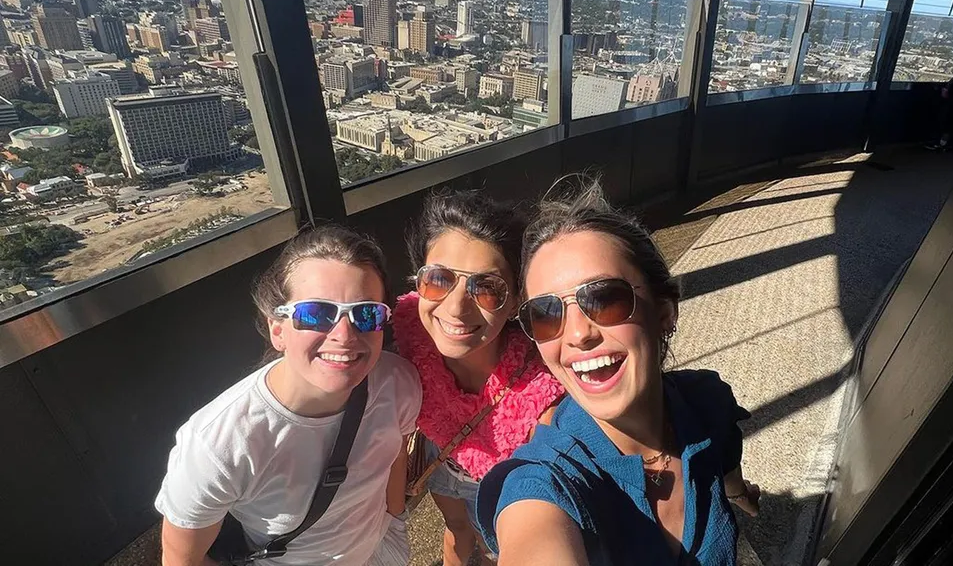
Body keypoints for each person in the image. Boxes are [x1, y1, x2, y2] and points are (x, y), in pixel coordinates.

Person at [476, 184, 760, 566]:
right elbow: (534, 535)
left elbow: (725, 458)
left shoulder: (706, 400)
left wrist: (739, 494)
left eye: (605, 298)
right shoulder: (546, 478)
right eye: (545, 315)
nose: (578, 335)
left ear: (663, 312)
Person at [155, 225, 421, 566]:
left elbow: (394, 456)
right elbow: (181, 560)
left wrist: (395, 521)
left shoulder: (398, 383)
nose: (343, 334)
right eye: (315, 314)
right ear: (277, 330)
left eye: (366, 314)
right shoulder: (219, 444)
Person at [393, 190, 564, 566]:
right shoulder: (403, 333)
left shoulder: (544, 392)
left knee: (499, 546)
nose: (455, 307)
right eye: (439, 279)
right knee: (457, 530)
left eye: (486, 288)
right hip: (445, 456)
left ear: (517, 298)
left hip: (503, 478)